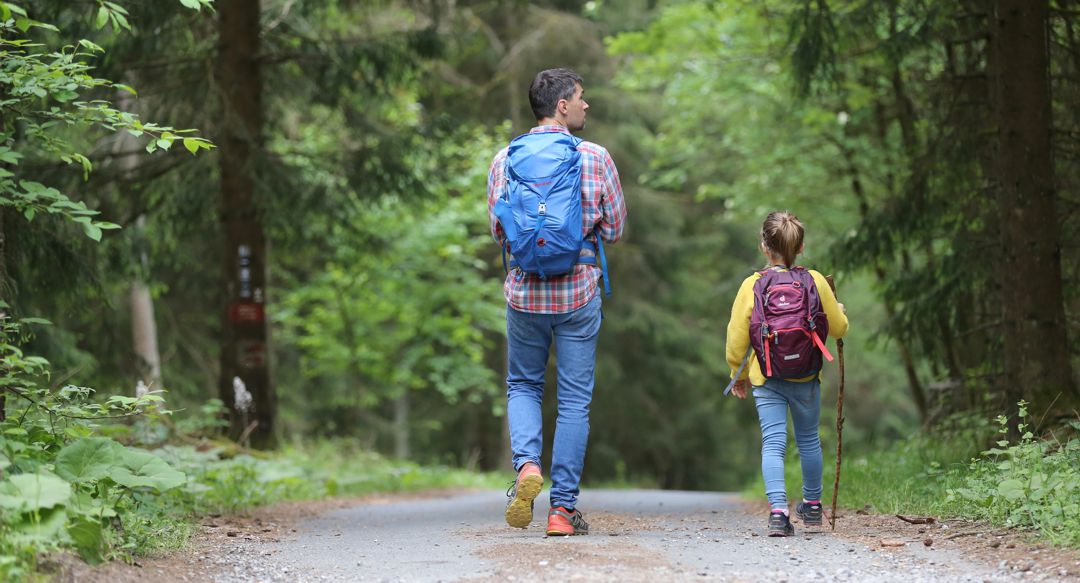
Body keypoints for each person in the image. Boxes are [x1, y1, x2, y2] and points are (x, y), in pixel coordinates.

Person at [487, 68, 627, 536]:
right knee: (573, 401)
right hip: (578, 293)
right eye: (581, 98)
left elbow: (498, 230)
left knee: (523, 385)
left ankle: (527, 466)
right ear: (561, 106)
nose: (586, 105)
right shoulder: (595, 157)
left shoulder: (505, 159)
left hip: (524, 293)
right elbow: (616, 229)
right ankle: (562, 511)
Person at [725, 211, 848, 537]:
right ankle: (812, 507)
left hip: (766, 377)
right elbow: (838, 327)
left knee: (773, 444)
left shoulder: (752, 285)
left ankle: (778, 512)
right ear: (802, 246)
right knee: (808, 441)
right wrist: (840, 311)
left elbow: (736, 337)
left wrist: (736, 375)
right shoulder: (815, 281)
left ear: (764, 246)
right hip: (806, 377)